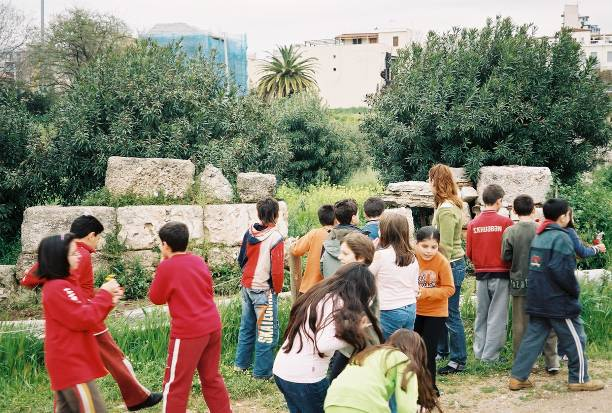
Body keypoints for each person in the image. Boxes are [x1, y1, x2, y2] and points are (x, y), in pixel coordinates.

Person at [21, 215, 161, 411]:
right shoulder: (75, 263)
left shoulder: (58, 267)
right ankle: (138, 397)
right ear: (91, 235)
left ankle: (138, 396)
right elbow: (74, 298)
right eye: (98, 237)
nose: (77, 255)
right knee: (117, 360)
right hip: (83, 322)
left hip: (79, 321)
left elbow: (31, 280)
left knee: (69, 396)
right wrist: (103, 295)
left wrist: (105, 298)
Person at [509, 199, 604, 392]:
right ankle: (579, 379)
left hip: (537, 296)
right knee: (577, 337)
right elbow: (563, 272)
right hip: (557, 301)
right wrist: (574, 293)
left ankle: (517, 378)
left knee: (533, 338)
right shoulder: (561, 238)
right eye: (569, 214)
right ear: (563, 217)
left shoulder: (540, 235)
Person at [273, 263, 383, 413]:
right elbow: (323, 344)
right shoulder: (336, 303)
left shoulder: (320, 294)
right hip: (305, 378)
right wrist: (356, 331)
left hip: (284, 370)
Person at [149, 222, 231, 413]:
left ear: (165, 245)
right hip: (212, 326)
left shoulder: (167, 267)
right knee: (212, 378)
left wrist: (163, 262)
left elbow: (156, 298)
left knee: (175, 385)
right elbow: (208, 289)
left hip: (188, 332)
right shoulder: (198, 261)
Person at [37, 233, 123, 413]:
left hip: (71, 363)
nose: (78, 256)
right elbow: (83, 318)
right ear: (60, 259)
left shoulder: (65, 284)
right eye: (73, 254)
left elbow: (85, 313)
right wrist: (104, 294)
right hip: (71, 366)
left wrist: (108, 303)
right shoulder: (58, 287)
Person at [502, 195, 559, 373]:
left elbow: (505, 257)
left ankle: (526, 362)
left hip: (520, 283)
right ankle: (552, 362)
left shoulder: (510, 231)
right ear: (534, 210)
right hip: (543, 283)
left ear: (514, 211)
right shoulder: (542, 229)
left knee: (520, 325)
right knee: (548, 322)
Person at [324, 329, 442, 413]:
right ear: (416, 351)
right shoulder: (403, 360)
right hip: (365, 406)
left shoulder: (368, 353)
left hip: (332, 402)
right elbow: (406, 408)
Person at [234, 197, 285, 379]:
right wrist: (276, 289)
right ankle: (262, 372)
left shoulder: (250, 232)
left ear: (259, 213)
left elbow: (241, 259)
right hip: (264, 290)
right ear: (276, 215)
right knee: (266, 332)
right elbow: (277, 270)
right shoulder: (276, 237)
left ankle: (241, 364)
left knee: (246, 327)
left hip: (247, 286)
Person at [428, 164, 468, 375]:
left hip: (450, 265)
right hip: (452, 264)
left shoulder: (445, 210)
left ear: (437, 182)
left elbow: (445, 247)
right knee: (441, 312)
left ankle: (458, 360)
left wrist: (436, 270)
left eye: (430, 179)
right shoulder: (450, 205)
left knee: (451, 314)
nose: (429, 184)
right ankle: (442, 351)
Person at [467, 184, 513, 362]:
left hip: (481, 274)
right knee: (497, 317)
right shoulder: (506, 223)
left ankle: (479, 353)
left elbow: (469, 252)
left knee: (482, 315)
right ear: (499, 201)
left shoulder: (473, 224)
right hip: (501, 273)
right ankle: (491, 357)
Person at [329, 232, 378, 381]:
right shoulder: (355, 278)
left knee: (336, 382)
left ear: (361, 257)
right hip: (350, 345)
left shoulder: (362, 283)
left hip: (359, 346)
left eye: (345, 253)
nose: (339, 257)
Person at [413, 226, 455, 395]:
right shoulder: (409, 258)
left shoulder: (442, 261)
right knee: (413, 351)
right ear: (416, 244)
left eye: (433, 247)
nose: (429, 251)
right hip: (413, 311)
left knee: (429, 352)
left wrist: (425, 292)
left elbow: (449, 289)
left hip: (435, 313)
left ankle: (431, 388)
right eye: (424, 246)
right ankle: (414, 387)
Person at [369, 212, 419, 340]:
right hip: (410, 307)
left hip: (388, 309)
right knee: (404, 348)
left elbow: (364, 277)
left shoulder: (380, 256)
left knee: (387, 350)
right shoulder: (412, 256)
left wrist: (370, 252)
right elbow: (415, 286)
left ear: (383, 232)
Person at [291, 204, 335, 294]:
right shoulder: (340, 234)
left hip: (311, 287)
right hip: (330, 287)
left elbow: (296, 250)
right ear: (336, 219)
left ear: (320, 219)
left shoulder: (314, 233)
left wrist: (294, 243)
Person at [321, 199, 367, 277]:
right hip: (355, 286)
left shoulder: (329, 237)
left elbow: (322, 265)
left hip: (331, 285)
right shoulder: (361, 239)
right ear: (353, 217)